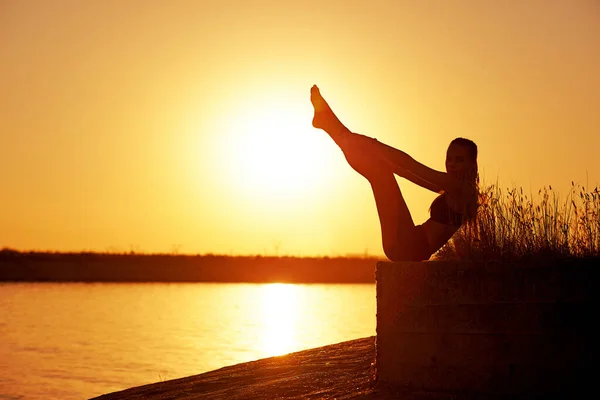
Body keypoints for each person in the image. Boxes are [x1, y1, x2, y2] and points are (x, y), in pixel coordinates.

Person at [310, 85, 479, 262]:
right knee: (379, 167)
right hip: (408, 243)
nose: (451, 164)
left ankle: (331, 125)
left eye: (459, 160)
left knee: (379, 169)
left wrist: (375, 146)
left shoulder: (459, 187)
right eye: (449, 159)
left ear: (471, 163)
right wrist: (384, 158)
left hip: (409, 245)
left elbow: (413, 167)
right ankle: (330, 125)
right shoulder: (454, 188)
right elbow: (409, 173)